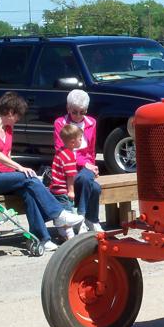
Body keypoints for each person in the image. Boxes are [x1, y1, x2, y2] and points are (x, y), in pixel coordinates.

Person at [0, 92, 83, 252]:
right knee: (28, 178)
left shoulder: (9, 129)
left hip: (2, 176)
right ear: (10, 112)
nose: (18, 119)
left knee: (29, 190)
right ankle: (59, 215)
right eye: (17, 115)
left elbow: (7, 157)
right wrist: (20, 168)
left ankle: (42, 238)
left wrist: (18, 172)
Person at [54, 89, 103, 232]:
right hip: (67, 167)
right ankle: (88, 218)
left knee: (88, 179)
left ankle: (82, 218)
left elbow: (91, 149)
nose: (78, 116)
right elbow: (61, 149)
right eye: (74, 112)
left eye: (82, 112)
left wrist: (92, 166)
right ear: (68, 108)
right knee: (95, 188)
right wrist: (85, 163)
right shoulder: (60, 123)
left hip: (85, 168)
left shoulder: (91, 122)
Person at [48, 124, 83, 240]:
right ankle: (69, 236)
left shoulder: (60, 151)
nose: (81, 140)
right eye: (80, 139)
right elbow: (70, 177)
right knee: (67, 214)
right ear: (73, 142)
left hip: (55, 188)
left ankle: (62, 234)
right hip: (63, 190)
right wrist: (71, 191)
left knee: (60, 213)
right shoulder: (69, 156)